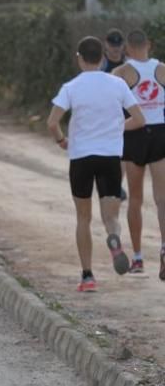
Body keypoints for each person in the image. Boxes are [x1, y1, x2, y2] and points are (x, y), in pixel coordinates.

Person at [47, 36, 145, 291]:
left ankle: (88, 277)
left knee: (83, 218)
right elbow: (139, 119)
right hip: (110, 157)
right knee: (110, 215)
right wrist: (115, 128)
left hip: (81, 157)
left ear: (79, 58)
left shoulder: (71, 87)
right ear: (102, 58)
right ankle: (114, 238)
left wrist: (61, 141)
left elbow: (52, 122)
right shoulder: (117, 84)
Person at [110, 29, 165, 279]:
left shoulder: (121, 73)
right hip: (160, 133)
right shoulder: (162, 69)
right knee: (162, 199)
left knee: (135, 199)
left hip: (134, 133)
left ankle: (139, 257)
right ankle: (164, 249)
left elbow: (110, 103)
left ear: (127, 49)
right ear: (149, 45)